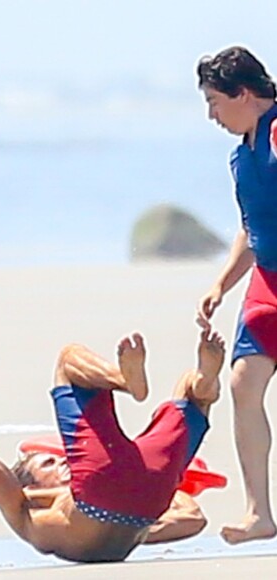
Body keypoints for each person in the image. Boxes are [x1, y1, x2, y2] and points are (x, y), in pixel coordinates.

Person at [0, 329, 225, 563]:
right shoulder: (23, 507)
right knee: (67, 359)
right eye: (47, 463)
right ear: (30, 485)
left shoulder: (45, 521)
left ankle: (203, 381)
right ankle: (124, 381)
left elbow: (192, 516)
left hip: (146, 503)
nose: (61, 461)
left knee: (192, 390)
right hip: (119, 490)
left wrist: (142, 508)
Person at [195, 46, 277, 545]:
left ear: (243, 94)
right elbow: (252, 230)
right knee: (244, 384)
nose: (211, 115)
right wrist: (220, 285)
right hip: (267, 281)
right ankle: (259, 514)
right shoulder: (239, 155)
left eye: (214, 102)